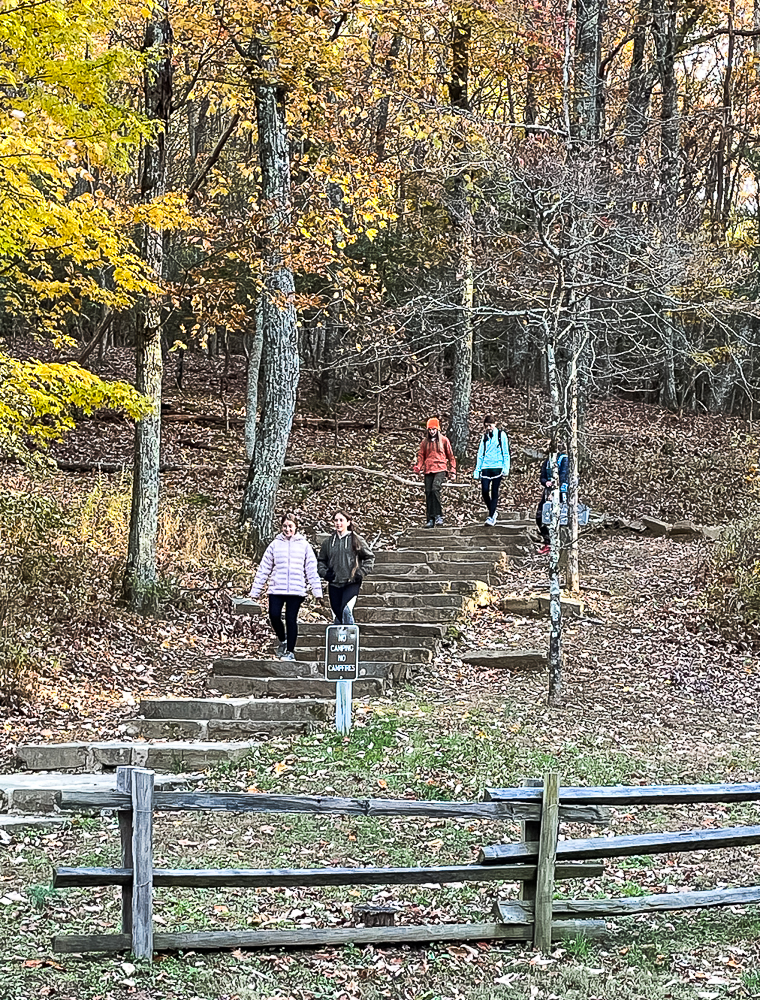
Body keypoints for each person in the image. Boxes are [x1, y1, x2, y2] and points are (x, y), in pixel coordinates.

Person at [248, 512, 322, 661]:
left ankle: (290, 651)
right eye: (285, 526)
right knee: (274, 616)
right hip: (277, 588)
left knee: (290, 619)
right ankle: (283, 640)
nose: (287, 529)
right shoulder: (275, 544)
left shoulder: (304, 545)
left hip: (296, 590)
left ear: (296, 527)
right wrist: (255, 591)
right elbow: (264, 568)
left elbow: (311, 569)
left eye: (290, 526)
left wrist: (317, 591)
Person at [318, 511, 375, 625]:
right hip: (334, 583)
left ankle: (351, 639)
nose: (338, 523)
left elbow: (369, 558)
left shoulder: (356, 539)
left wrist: (360, 573)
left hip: (351, 582)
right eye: (336, 520)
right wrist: (325, 573)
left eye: (341, 520)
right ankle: (339, 641)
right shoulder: (328, 542)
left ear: (348, 522)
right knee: (338, 615)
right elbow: (321, 561)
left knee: (346, 610)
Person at [413, 417, 457, 527]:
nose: (432, 432)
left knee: (435, 488)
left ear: (437, 429)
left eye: (434, 429)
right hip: (428, 469)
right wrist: (418, 466)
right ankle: (430, 518)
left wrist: (452, 470)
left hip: (440, 468)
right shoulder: (425, 442)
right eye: (430, 430)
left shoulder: (443, 440)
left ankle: (438, 515)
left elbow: (451, 456)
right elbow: (421, 455)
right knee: (428, 492)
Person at [473, 414, 510, 526]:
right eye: (486, 426)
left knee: (494, 491)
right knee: (484, 491)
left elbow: (506, 452)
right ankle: (492, 511)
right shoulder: (484, 437)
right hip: (486, 467)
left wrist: (506, 467)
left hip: (497, 467)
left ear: (495, 424)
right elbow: (480, 454)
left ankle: (491, 516)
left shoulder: (501, 435)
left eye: (490, 425)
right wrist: (477, 469)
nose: (489, 428)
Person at [536, 445, 569, 555]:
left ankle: (558, 544)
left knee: (559, 518)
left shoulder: (564, 459)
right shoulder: (548, 461)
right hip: (547, 492)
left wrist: (557, 490)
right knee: (540, 517)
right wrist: (546, 482)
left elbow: (564, 476)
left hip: (561, 493)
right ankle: (548, 543)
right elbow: (542, 477)